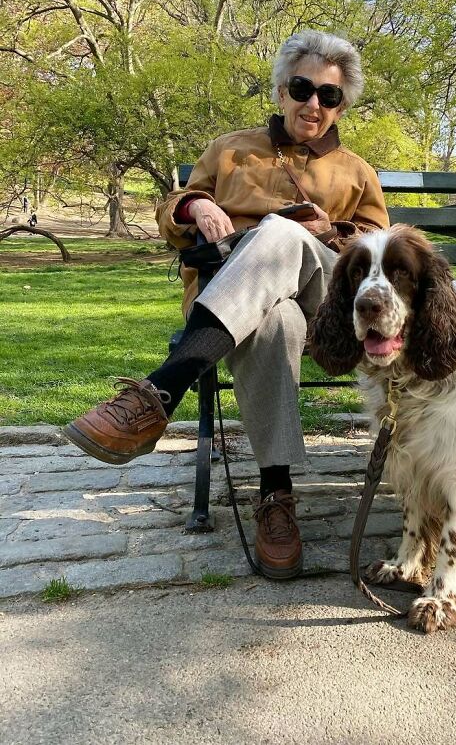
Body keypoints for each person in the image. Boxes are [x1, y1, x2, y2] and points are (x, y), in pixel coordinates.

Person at [64, 30, 390, 579]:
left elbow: (378, 250)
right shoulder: (230, 148)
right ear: (282, 90)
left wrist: (328, 230)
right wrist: (195, 206)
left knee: (281, 236)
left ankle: (162, 388)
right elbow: (173, 208)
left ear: (341, 105)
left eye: (329, 96)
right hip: (242, 295)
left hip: (328, 302)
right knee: (273, 319)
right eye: (303, 88)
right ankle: (275, 496)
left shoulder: (356, 171)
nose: (314, 104)